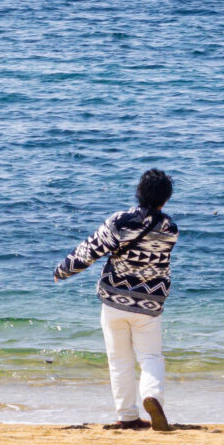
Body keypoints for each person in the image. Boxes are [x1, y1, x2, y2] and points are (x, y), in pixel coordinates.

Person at [53, 169, 181, 431]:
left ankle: (127, 416)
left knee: (119, 359)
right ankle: (152, 396)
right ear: (165, 199)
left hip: (114, 300)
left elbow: (89, 250)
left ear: (139, 192)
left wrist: (63, 270)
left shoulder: (120, 222)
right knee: (151, 357)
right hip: (149, 303)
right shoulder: (170, 229)